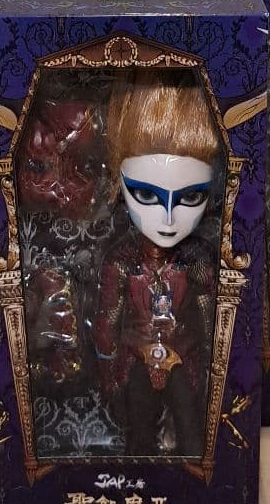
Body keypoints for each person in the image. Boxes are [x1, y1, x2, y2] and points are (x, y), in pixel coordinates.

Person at [92, 69, 219, 457]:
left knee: (192, 433)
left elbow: (210, 314)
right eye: (146, 195)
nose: (167, 219)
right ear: (119, 184)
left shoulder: (195, 260)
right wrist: (108, 370)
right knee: (138, 436)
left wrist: (214, 361)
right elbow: (107, 320)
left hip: (184, 359)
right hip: (136, 360)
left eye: (189, 198)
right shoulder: (121, 261)